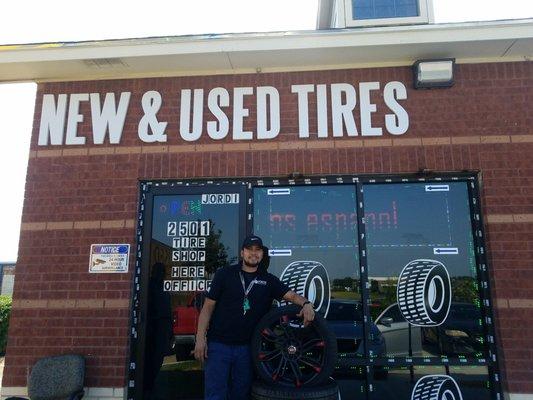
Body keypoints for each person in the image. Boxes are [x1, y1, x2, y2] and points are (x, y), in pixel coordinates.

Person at [193, 235, 315, 400]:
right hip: (218, 346)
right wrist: (200, 339)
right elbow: (207, 308)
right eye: (249, 250)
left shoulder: (268, 280)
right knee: (215, 394)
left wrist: (306, 303)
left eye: (257, 250)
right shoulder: (224, 274)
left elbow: (292, 296)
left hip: (247, 349)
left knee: (240, 394)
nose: (253, 253)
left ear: (262, 255)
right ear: (242, 253)